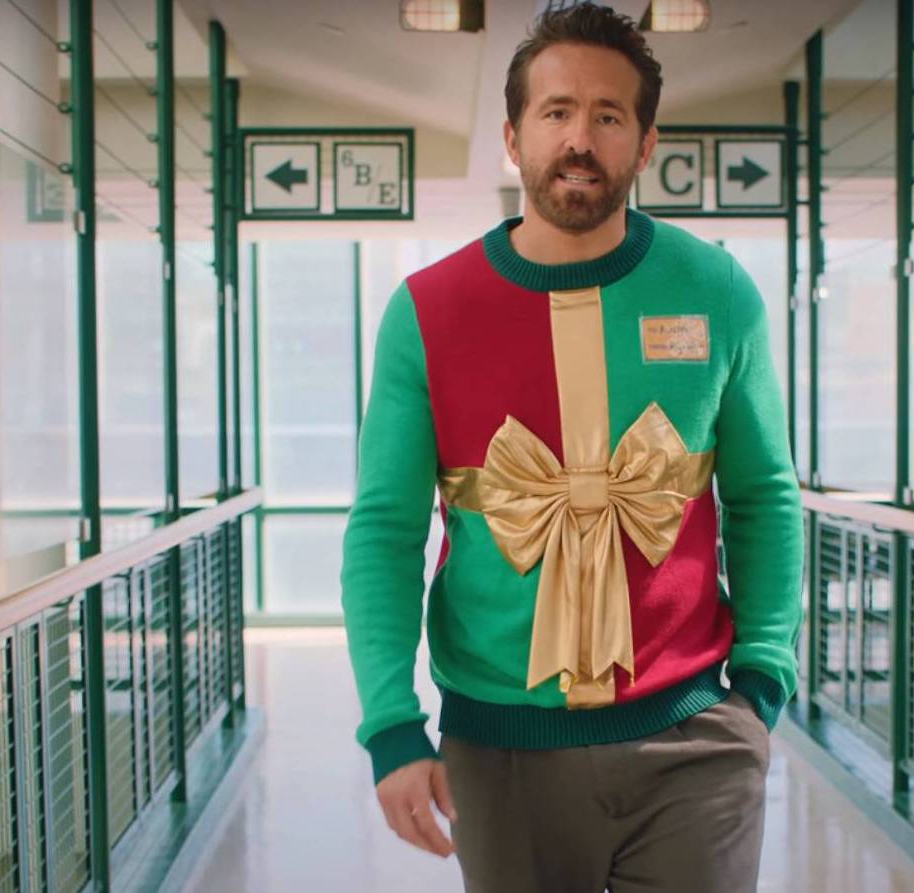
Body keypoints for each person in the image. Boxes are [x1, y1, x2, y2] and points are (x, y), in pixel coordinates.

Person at [340, 5, 803, 891]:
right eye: (555, 113)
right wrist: (391, 724)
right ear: (513, 138)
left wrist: (762, 684)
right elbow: (384, 531)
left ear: (644, 140)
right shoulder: (427, 312)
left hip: (697, 734)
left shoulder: (717, 290)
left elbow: (765, 495)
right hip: (500, 749)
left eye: (606, 114)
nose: (579, 138)